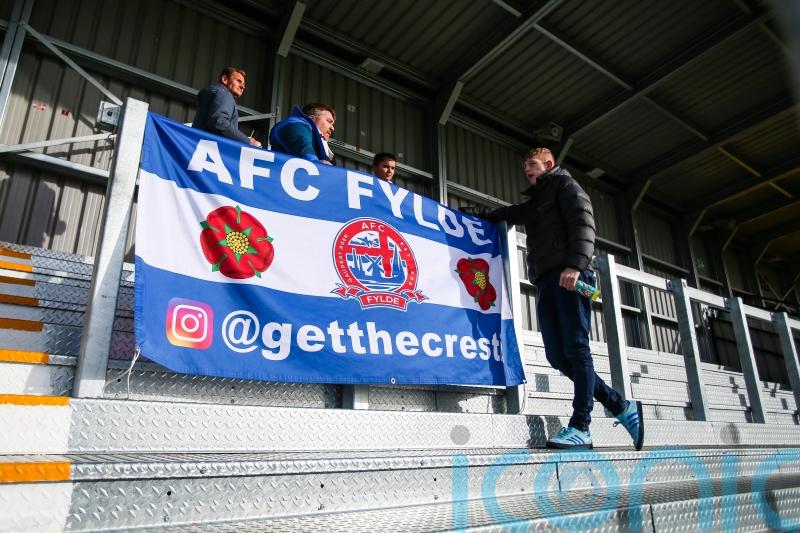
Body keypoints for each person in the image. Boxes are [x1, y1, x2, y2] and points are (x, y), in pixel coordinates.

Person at [468, 147, 644, 451]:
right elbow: (508, 213)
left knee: (576, 348)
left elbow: (583, 224)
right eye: (525, 167)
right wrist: (472, 215)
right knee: (556, 356)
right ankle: (620, 406)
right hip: (547, 281)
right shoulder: (538, 201)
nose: (528, 170)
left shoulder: (566, 186)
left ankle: (581, 426)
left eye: (532, 164)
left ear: (549, 164)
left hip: (571, 276)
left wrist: (575, 265)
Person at [192, 67, 260, 147]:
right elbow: (219, 122)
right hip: (210, 149)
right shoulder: (224, 94)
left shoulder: (214, 93)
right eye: (238, 81)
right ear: (225, 79)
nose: (243, 87)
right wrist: (247, 141)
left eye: (244, 84)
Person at [269, 103, 336, 165]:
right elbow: (306, 154)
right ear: (311, 117)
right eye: (329, 121)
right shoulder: (296, 124)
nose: (332, 128)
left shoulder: (323, 146)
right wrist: (317, 165)